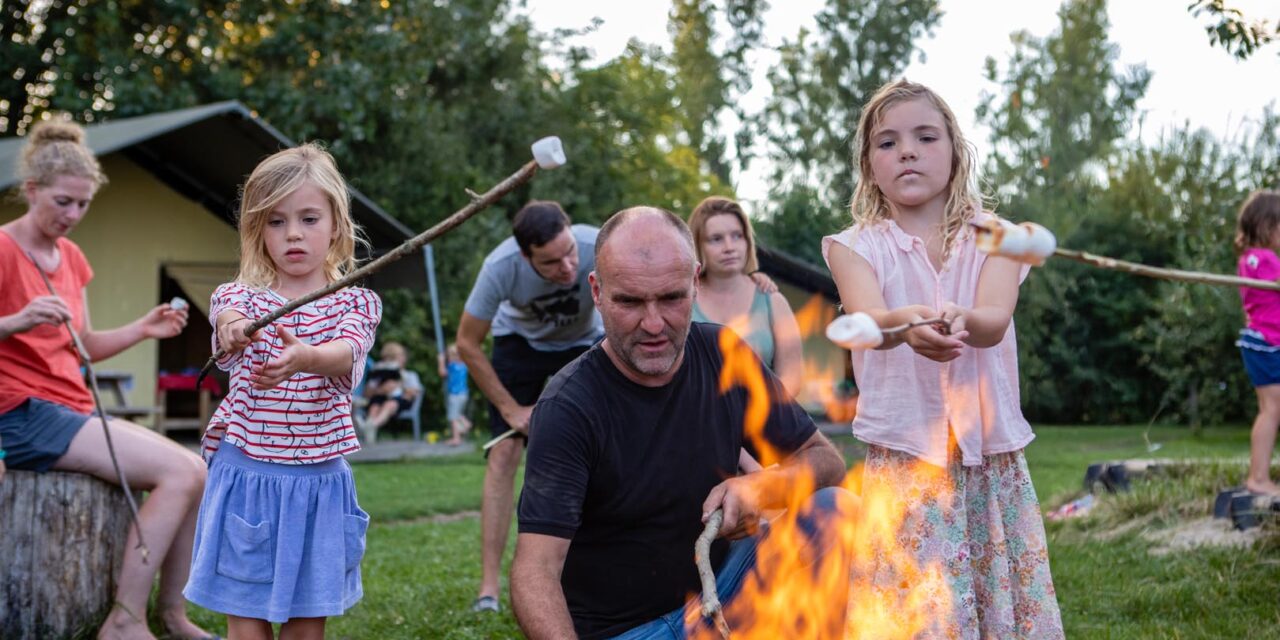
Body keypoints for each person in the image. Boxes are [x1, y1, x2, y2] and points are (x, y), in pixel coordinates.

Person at [510, 207, 854, 639]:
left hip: (724, 594)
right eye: (630, 301)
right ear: (597, 292)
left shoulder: (725, 354)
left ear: (694, 282)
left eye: (671, 298)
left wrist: (762, 487)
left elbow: (825, 460)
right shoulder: (568, 406)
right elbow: (534, 570)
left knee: (835, 511)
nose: (653, 324)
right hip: (632, 630)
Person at [822, 79, 1063, 637]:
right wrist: (904, 326)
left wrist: (963, 319)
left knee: (998, 603)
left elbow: (994, 318)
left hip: (987, 462)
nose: (906, 150)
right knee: (918, 612)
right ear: (869, 165)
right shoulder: (854, 246)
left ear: (955, 153)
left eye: (925, 137)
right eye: (887, 143)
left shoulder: (997, 237)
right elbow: (867, 323)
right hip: (909, 462)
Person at [0, 121, 211, 640]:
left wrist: (144, 328)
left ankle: (172, 615)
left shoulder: (71, 258)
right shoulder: (3, 250)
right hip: (20, 412)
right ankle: (122, 620)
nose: (73, 215)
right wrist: (16, 321)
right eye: (63, 202)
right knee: (177, 475)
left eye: (83, 205)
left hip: (69, 405)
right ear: (31, 191)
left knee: (197, 469)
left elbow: (82, 345)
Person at [182, 143, 382, 639]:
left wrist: (306, 358)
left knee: (304, 627)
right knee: (245, 619)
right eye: (275, 221)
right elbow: (227, 318)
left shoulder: (358, 302)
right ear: (257, 231)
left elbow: (346, 351)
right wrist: (232, 328)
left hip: (317, 485)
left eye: (309, 218)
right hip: (246, 478)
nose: (293, 233)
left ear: (336, 223)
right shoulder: (240, 297)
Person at [456, 200, 603, 612]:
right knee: (503, 455)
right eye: (552, 262)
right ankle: (488, 590)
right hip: (519, 344)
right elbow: (466, 343)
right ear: (526, 256)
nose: (569, 267)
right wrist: (510, 411)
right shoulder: (501, 266)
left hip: (584, 342)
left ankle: (590, 572)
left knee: (602, 449)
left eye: (570, 251)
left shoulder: (599, 244)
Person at [688, 196, 804, 398]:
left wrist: (765, 416)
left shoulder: (772, 300)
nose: (729, 247)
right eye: (716, 239)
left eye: (737, 236)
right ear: (698, 245)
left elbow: (792, 378)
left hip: (762, 421)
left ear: (747, 240)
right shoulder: (683, 300)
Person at [1233, 190, 1280, 496]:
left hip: (1263, 342)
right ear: (1267, 226)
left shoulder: (1249, 260)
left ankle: (1260, 477)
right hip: (1267, 344)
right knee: (1271, 410)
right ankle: (1258, 479)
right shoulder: (1263, 259)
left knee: (1271, 409)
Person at [360, 341, 423, 442]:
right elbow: (366, 394)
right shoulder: (378, 374)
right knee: (374, 406)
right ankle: (369, 430)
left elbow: (416, 392)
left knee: (390, 404)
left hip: (399, 401)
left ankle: (370, 426)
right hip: (380, 399)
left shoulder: (410, 375)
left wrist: (400, 387)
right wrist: (381, 390)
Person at [439, 343, 472, 446]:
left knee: (452, 417)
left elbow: (442, 373)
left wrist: (440, 361)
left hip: (455, 395)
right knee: (457, 414)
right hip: (464, 394)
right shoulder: (464, 366)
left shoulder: (453, 366)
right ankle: (466, 424)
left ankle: (456, 438)